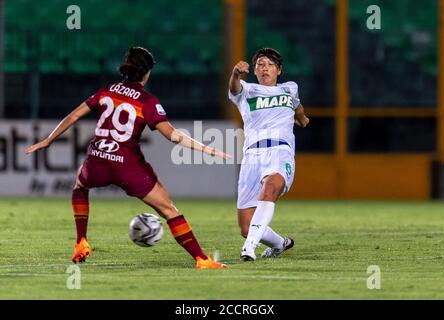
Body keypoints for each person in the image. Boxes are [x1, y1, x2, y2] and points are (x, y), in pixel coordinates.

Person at [25, 47, 228, 269]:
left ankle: (81, 241)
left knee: (80, 186)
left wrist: (48, 140)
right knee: (169, 210)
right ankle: (201, 259)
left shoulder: (107, 90)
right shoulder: (148, 102)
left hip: (98, 159)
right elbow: (172, 135)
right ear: (147, 72)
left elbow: (73, 115)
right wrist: (208, 150)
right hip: (127, 166)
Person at [228, 48, 309, 261]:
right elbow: (234, 88)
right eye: (260, 64)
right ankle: (280, 243)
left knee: (270, 187)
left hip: (279, 151)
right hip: (252, 157)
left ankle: (249, 248)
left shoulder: (290, 88)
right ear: (254, 70)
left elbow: (297, 106)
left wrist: (302, 119)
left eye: (270, 64)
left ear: (279, 70)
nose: (265, 68)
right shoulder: (247, 90)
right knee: (246, 226)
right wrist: (236, 74)